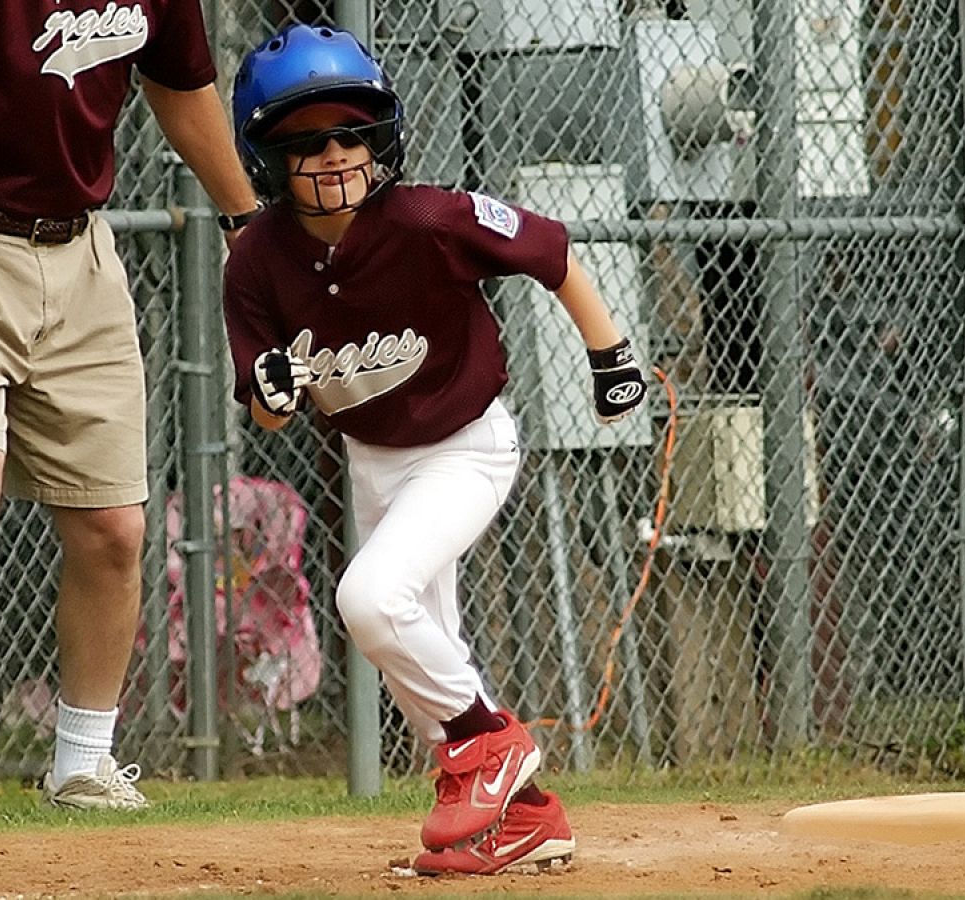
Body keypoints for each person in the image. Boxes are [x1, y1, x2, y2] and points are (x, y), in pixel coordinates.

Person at [221, 24, 647, 875]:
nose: (335, 153)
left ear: (383, 140)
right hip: (374, 460)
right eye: (305, 143)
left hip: (468, 445)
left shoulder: (424, 216)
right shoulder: (258, 261)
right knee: (422, 664)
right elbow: (267, 416)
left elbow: (551, 251)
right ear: (267, 160)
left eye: (351, 133)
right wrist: (273, 392)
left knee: (371, 600)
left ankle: (495, 745)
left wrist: (612, 358)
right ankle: (530, 820)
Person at [0, 1, 262, 815]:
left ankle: (83, 763)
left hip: (77, 253)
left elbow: (180, 87)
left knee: (114, 528)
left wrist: (245, 221)